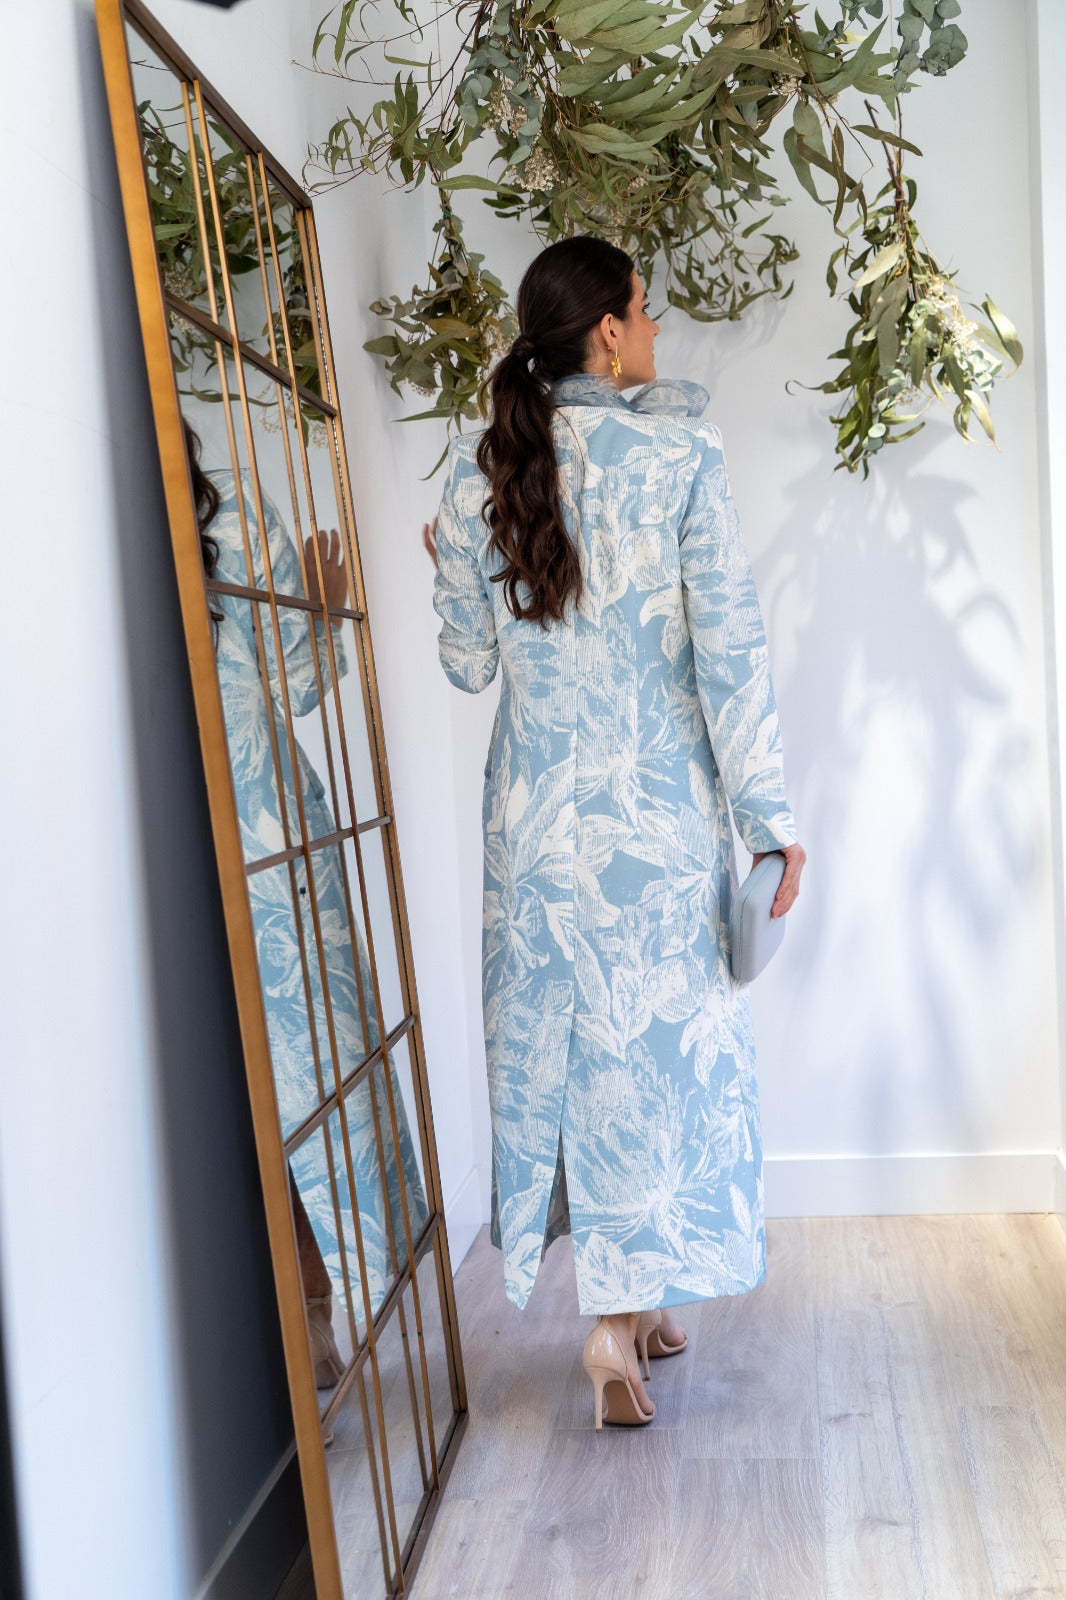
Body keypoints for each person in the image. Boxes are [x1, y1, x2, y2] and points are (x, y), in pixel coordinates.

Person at [424, 236, 806, 1430]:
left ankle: (631, 1313)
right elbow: (729, 656)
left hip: (534, 830)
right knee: (657, 1063)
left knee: (574, 1055)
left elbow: (466, 665)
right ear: (604, 331)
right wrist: (770, 821)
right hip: (656, 821)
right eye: (644, 310)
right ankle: (615, 1319)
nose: (652, 331)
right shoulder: (681, 455)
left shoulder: (479, 476)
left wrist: (447, 564)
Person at [183, 420, 430, 1391]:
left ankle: (290, 1332)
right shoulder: (231, 501)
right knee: (312, 1083)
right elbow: (295, 681)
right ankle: (316, 1317)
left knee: (247, 1092)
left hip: (193, 837)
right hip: (269, 833)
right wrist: (321, 613)